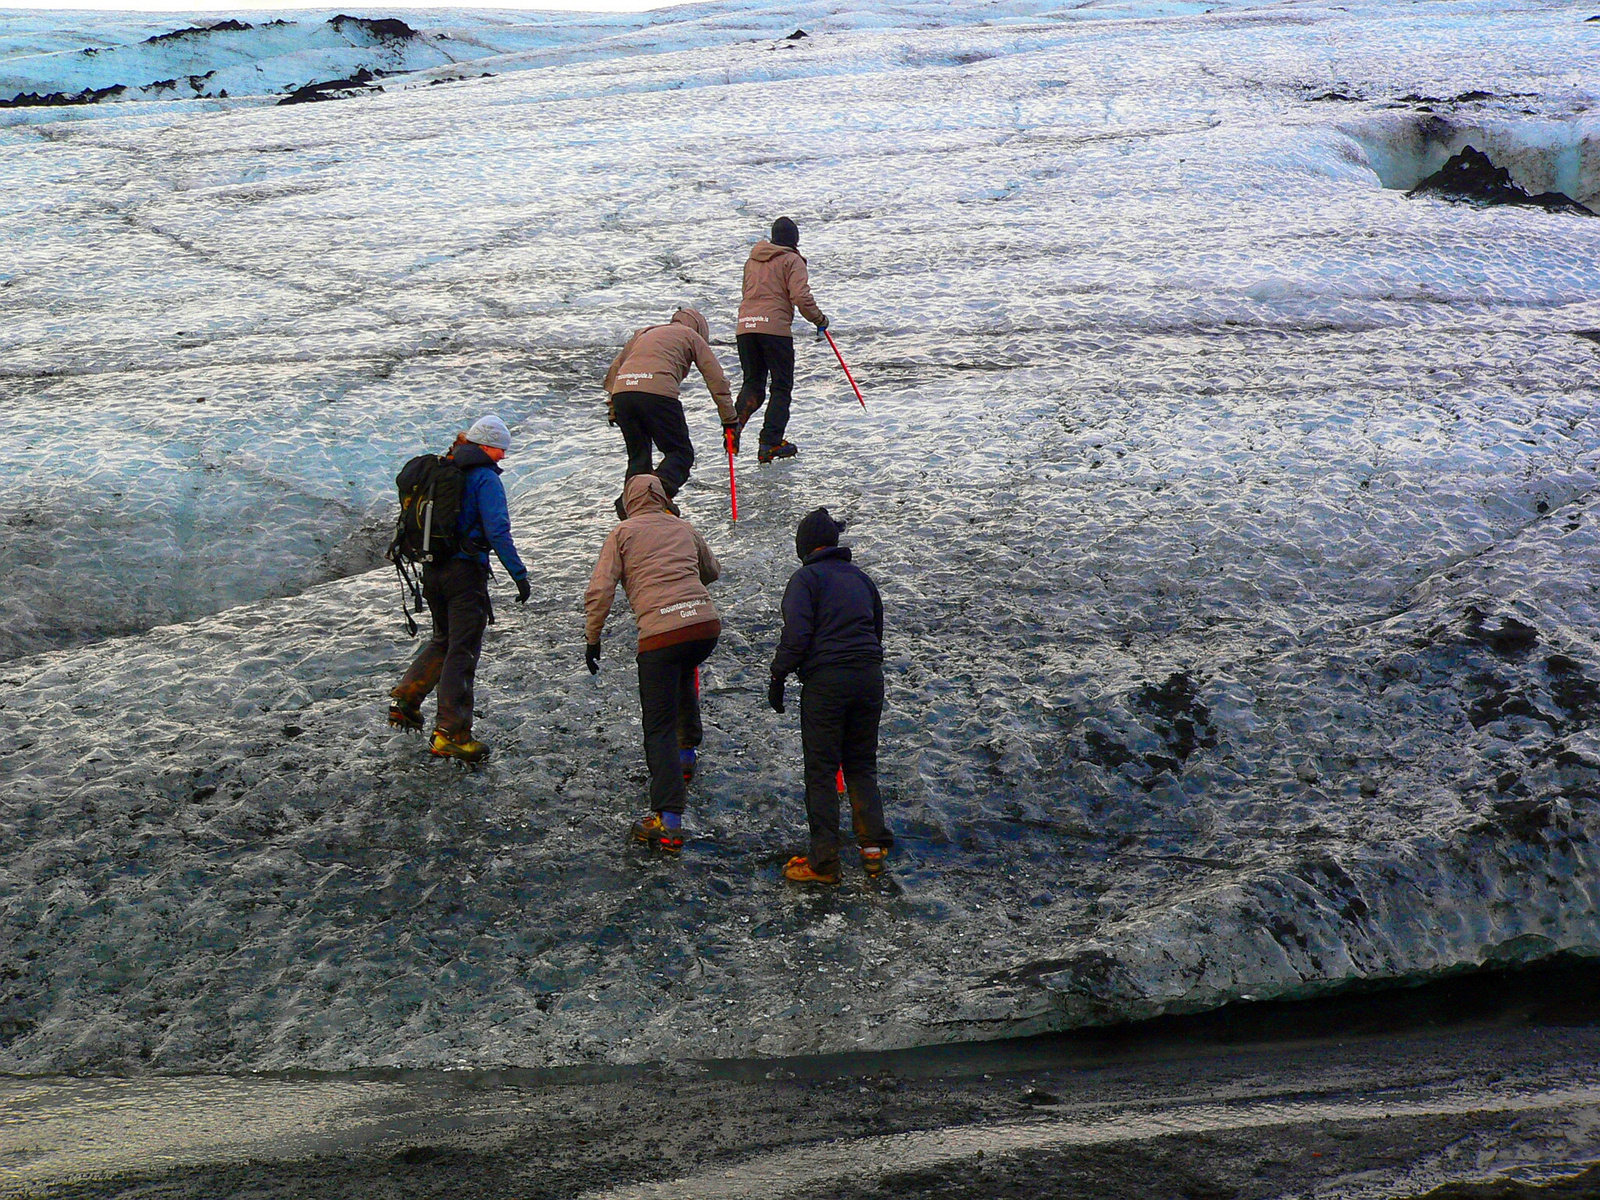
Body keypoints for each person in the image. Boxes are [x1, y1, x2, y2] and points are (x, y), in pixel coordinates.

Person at [584, 473, 722, 853]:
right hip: (705, 627)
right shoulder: (684, 527)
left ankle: (668, 820)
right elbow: (712, 571)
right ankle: (686, 755)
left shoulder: (622, 533)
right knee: (682, 673)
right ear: (662, 497)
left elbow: (600, 589)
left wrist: (592, 638)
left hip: (660, 635)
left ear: (628, 501)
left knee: (657, 724)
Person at [389, 415, 530, 764]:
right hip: (465, 574)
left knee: (444, 639)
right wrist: (519, 574)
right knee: (462, 651)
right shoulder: (484, 479)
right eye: (499, 450)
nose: (502, 457)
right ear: (484, 446)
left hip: (433, 570)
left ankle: (407, 699)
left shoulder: (443, 469)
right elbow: (497, 531)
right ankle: (452, 733)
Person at [768, 508, 893, 884]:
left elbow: (798, 636)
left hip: (827, 683)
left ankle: (824, 862)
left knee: (822, 771)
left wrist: (778, 675)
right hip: (869, 678)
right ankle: (872, 850)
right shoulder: (861, 579)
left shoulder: (806, 579)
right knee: (860, 763)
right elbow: (876, 629)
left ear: (804, 544)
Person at [603, 307, 738, 517]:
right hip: (658, 393)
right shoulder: (691, 335)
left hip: (623, 393)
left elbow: (616, 367)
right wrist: (730, 420)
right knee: (680, 454)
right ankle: (651, 498)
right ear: (699, 329)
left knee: (639, 458)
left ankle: (630, 509)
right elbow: (716, 379)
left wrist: (613, 406)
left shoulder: (645, 332)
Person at [734, 217, 829, 464]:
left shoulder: (752, 261)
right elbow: (800, 296)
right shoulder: (792, 259)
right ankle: (770, 443)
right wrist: (819, 319)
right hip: (774, 330)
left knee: (753, 383)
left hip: (745, 328)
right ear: (795, 240)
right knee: (781, 386)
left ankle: (734, 424)